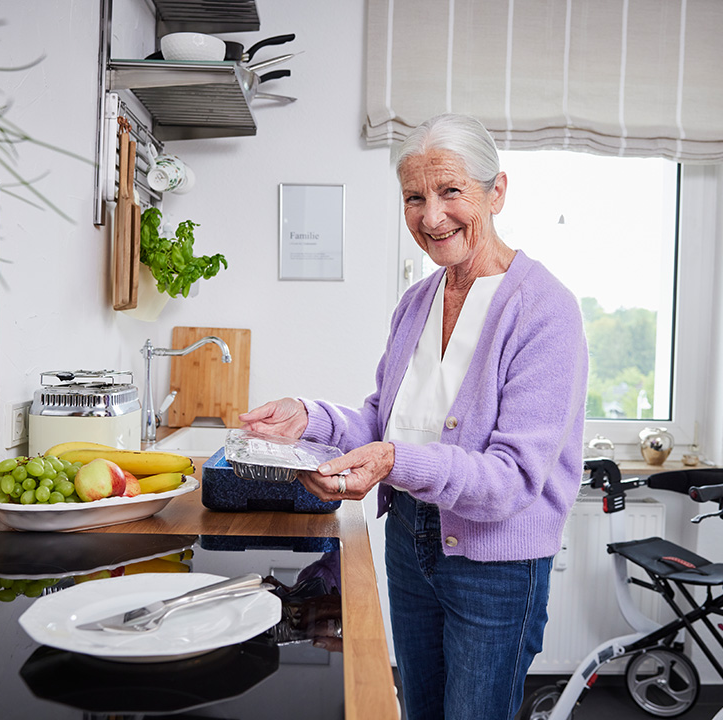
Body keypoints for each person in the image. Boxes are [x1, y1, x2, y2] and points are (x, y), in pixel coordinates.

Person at [239, 113, 588, 720]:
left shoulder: (545, 311)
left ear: (496, 192)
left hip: (495, 563)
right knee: (419, 709)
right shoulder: (417, 301)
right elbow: (385, 422)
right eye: (414, 197)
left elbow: (511, 477)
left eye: (451, 191)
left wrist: (395, 460)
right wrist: (309, 419)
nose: (431, 217)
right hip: (408, 539)